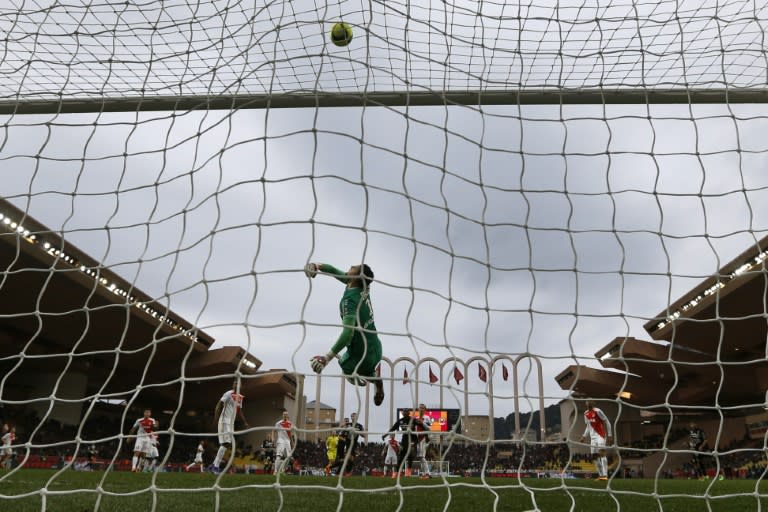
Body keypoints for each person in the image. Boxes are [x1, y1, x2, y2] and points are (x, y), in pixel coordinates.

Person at [305, 262, 385, 406]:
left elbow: (348, 333)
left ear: (356, 276)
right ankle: (373, 378)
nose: (351, 266)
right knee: (363, 367)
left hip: (362, 353)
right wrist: (318, 266)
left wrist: (326, 358)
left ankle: (362, 377)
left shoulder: (350, 301)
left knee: (344, 363)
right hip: (376, 346)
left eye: (354, 267)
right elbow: (335, 271)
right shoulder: (363, 286)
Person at [209, 380, 250, 474]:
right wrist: (215, 419)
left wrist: (245, 422)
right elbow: (219, 405)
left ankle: (214, 465)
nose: (235, 384)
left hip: (231, 424)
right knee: (226, 443)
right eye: (234, 383)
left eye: (238, 383)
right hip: (224, 421)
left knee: (226, 444)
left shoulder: (240, 397)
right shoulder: (228, 393)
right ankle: (215, 466)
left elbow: (239, 411)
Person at [579, 400, 612, 481]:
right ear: (586, 404)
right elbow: (588, 426)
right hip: (592, 438)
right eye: (587, 403)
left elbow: (607, 421)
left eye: (590, 403)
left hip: (600, 436)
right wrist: (584, 436)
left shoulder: (598, 411)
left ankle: (605, 475)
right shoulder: (586, 413)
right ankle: (601, 476)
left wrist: (610, 435)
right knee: (594, 457)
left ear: (593, 404)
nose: (588, 405)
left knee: (602, 454)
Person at [383, 409, 416, 476]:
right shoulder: (400, 421)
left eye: (406, 411)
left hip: (413, 438)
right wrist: (385, 435)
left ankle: (408, 471)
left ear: (409, 413)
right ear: (403, 413)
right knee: (401, 456)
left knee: (410, 455)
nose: (404, 412)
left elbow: (421, 424)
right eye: (404, 411)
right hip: (405, 439)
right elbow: (393, 428)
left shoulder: (413, 420)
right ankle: (396, 472)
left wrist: (427, 434)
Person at [273, 409, 295, 474]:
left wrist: (292, 442)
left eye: (286, 414)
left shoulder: (290, 424)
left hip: (287, 441)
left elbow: (290, 434)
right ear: (282, 415)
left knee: (288, 457)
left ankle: (283, 470)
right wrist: (273, 438)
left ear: (287, 416)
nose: (285, 415)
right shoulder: (278, 423)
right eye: (284, 414)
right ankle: (275, 471)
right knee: (278, 455)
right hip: (281, 441)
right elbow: (274, 430)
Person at [415, 404, 434, 479]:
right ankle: (423, 474)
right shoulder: (416, 418)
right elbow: (415, 430)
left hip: (424, 438)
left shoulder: (427, 418)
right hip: (418, 439)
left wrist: (422, 423)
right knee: (420, 457)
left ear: (425, 409)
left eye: (423, 408)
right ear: (418, 409)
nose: (421, 409)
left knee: (422, 457)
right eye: (420, 408)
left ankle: (428, 474)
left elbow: (429, 428)